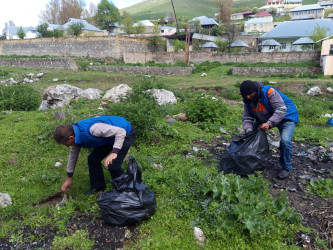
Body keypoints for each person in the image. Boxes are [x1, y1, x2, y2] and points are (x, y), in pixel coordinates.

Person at [53, 116, 135, 195]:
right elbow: (73, 156)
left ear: (71, 138)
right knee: (93, 159)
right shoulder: (75, 137)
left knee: (113, 165)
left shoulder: (94, 129)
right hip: (108, 138)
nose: (68, 146)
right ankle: (98, 188)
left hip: (125, 133)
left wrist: (114, 152)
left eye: (67, 144)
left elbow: (121, 132)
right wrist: (69, 178)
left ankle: (126, 190)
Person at [240, 80, 299, 179]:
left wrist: (269, 123)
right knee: (249, 136)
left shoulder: (269, 92)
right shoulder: (248, 101)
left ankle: (286, 167)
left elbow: (281, 110)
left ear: (256, 91)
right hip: (265, 117)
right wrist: (249, 130)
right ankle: (252, 160)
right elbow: (247, 118)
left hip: (285, 116)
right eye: (245, 95)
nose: (248, 97)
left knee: (285, 141)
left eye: (250, 94)